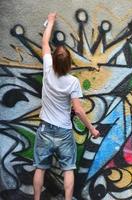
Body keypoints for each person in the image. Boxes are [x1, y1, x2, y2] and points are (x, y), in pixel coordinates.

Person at [33, 12, 100, 200]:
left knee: (40, 168)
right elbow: (78, 110)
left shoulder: (47, 70)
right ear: (70, 63)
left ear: (53, 60)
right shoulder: (72, 82)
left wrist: (51, 21)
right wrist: (92, 129)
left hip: (45, 128)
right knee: (68, 169)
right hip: (63, 131)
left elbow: (45, 43)